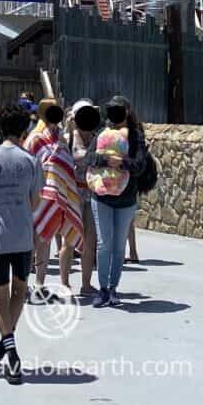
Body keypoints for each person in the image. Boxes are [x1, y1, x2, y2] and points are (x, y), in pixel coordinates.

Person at [0, 102, 42, 385]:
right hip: (23, 236)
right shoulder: (31, 160)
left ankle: (9, 351)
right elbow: (35, 201)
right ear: (24, 129)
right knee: (19, 293)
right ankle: (5, 347)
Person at [85, 95, 147, 307]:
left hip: (126, 198)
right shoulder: (102, 133)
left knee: (119, 245)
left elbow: (140, 165)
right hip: (101, 196)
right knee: (104, 244)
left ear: (126, 111)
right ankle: (102, 289)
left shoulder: (135, 136)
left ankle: (113, 288)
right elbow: (89, 158)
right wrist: (106, 160)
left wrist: (121, 163)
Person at [27, 102, 82, 298]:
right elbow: (29, 164)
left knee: (46, 240)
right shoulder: (35, 139)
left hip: (58, 197)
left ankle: (40, 284)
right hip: (38, 195)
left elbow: (67, 166)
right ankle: (27, 283)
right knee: (35, 241)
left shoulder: (62, 138)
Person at [66, 101, 101, 296]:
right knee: (69, 241)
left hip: (92, 194)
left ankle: (86, 285)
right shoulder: (68, 137)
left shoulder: (97, 137)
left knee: (90, 242)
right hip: (73, 195)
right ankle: (65, 283)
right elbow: (78, 157)